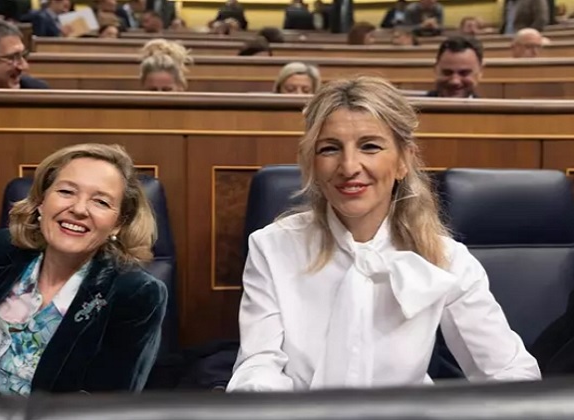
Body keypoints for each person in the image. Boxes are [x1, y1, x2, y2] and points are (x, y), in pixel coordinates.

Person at [226, 76, 541, 391]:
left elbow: (508, 372)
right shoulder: (272, 246)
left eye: (370, 146)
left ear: (404, 160)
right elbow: (259, 365)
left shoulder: (447, 258)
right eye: (330, 148)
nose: (349, 166)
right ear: (311, 163)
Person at [0, 143, 167, 395]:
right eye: (66, 191)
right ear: (42, 201)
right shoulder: (0, 250)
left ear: (118, 223)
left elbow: (106, 405)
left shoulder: (136, 293)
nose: (78, 209)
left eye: (100, 202)